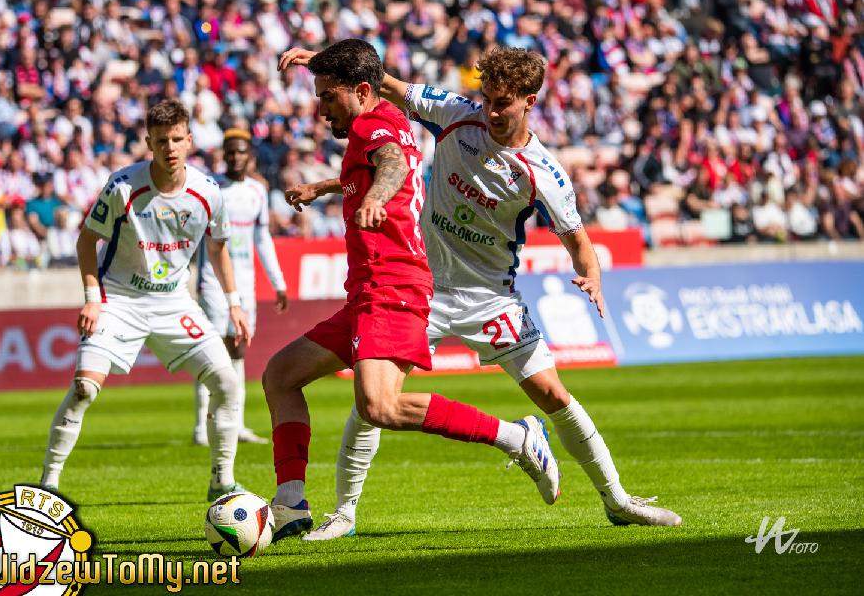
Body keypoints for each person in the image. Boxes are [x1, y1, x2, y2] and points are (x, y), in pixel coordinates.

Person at [280, 45, 681, 541]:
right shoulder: (456, 113)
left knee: (552, 394)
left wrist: (592, 276)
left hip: (491, 297)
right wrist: (324, 59)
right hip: (424, 288)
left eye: (502, 103)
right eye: (486, 98)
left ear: (530, 101)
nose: (490, 111)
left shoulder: (544, 173)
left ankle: (617, 500)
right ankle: (344, 513)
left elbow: (579, 242)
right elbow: (379, 83)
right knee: (375, 399)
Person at [265, 39, 559, 543]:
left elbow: (393, 167)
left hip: (393, 284)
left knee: (379, 407)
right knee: (280, 375)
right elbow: (377, 162)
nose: (322, 109)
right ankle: (291, 503)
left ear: (361, 91)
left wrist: (377, 198)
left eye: (328, 97)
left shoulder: (372, 126)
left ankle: (517, 436)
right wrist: (323, 188)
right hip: (369, 289)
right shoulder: (385, 117)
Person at [40, 99, 252, 502]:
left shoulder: (208, 192)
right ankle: (47, 486)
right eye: (161, 141)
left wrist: (234, 303)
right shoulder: (122, 186)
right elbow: (86, 241)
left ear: (190, 140)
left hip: (173, 302)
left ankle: (222, 482)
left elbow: (218, 247)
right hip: (119, 299)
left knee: (227, 382)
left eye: (177, 139)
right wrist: (92, 298)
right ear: (148, 143)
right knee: (84, 388)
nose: (170, 148)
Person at [193, 128, 289, 447]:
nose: (235, 157)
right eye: (230, 152)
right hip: (213, 281)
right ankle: (202, 426)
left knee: (238, 349)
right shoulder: (210, 188)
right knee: (213, 349)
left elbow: (262, 239)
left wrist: (278, 282)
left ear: (250, 157)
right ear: (224, 155)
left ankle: (235, 424)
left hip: (245, 282)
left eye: (241, 152)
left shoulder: (257, 192)